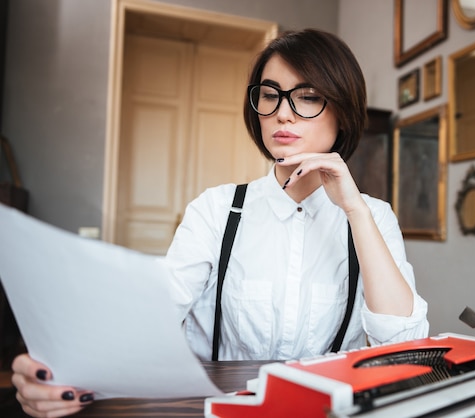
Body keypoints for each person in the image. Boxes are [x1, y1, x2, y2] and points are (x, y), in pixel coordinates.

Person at [10, 28, 429, 417]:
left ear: (342, 112)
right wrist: (66, 372)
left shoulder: (373, 217)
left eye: (306, 96)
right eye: (270, 95)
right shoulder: (216, 210)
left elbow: (406, 349)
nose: (283, 113)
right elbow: (153, 315)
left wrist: (355, 211)